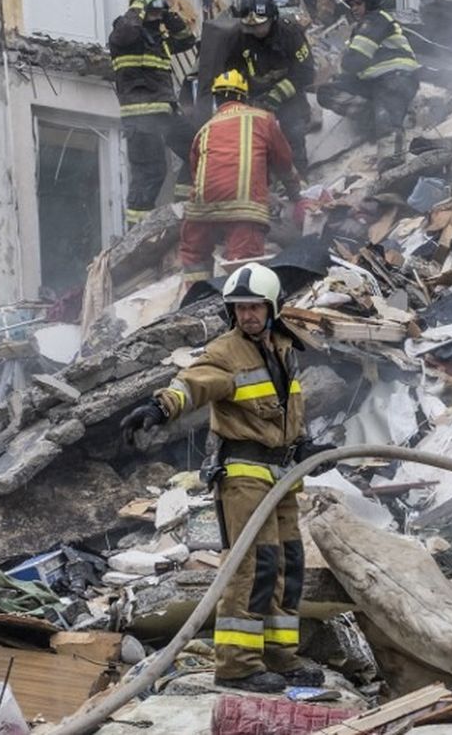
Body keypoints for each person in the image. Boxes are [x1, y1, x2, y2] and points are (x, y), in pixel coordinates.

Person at [120, 263, 330, 693]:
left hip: (282, 476)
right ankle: (237, 665)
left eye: (255, 307)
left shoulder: (284, 348)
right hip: (245, 475)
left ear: (273, 308)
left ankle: (280, 655)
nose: (247, 315)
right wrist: (160, 408)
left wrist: (305, 447)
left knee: (288, 563)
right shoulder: (226, 352)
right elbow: (192, 384)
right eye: (239, 308)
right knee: (253, 565)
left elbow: (286, 411)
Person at [177, 69, 299, 286]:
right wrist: (296, 194)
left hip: (201, 208)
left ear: (216, 100)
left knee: (195, 256)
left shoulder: (205, 129)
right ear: (244, 97)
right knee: (243, 264)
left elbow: (196, 172)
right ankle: (239, 297)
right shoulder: (263, 119)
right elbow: (284, 163)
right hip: (244, 207)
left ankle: (196, 298)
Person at [109, 0, 198, 225]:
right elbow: (127, 31)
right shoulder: (124, 35)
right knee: (151, 173)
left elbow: (187, 39)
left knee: (198, 150)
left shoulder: (159, 40)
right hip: (141, 118)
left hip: (165, 113)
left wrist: (167, 15)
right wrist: (139, 5)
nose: (157, 14)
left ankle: (184, 208)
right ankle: (136, 230)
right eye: (154, 10)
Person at [315, 0, 420, 164]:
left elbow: (355, 60)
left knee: (387, 122)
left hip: (397, 78)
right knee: (327, 92)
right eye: (351, 5)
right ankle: (374, 117)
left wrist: (344, 67)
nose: (354, 8)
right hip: (374, 82)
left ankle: (392, 166)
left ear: (370, 1)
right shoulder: (362, 26)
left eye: (358, 3)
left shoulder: (376, 20)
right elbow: (352, 67)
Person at [224, 0, 315, 176]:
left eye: (260, 25)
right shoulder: (239, 38)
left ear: (272, 17)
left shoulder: (289, 32)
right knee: (255, 142)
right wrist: (240, 103)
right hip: (257, 97)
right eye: (250, 26)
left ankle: (300, 178)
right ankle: (264, 182)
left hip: (289, 93)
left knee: (293, 132)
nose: (255, 30)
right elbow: (231, 73)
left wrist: (278, 94)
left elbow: (306, 72)